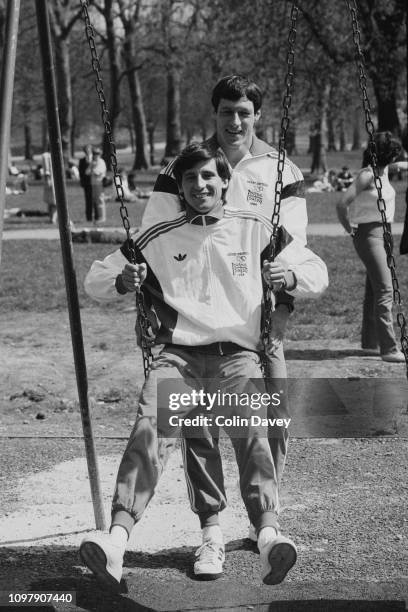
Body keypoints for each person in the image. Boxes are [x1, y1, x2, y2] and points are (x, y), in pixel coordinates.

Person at [79, 142, 328, 589]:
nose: (200, 185)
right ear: (180, 186)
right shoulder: (158, 234)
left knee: (252, 433)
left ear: (225, 182)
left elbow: (317, 271)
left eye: (209, 177)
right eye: (190, 178)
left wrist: (288, 277)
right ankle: (117, 541)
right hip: (179, 357)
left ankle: (269, 535)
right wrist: (122, 279)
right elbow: (94, 278)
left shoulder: (256, 228)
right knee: (150, 430)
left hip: (237, 356)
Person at [141, 75, 308, 544]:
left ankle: (266, 519)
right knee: (198, 420)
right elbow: (154, 233)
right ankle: (211, 526)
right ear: (213, 113)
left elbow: (294, 247)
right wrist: (152, 298)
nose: (234, 122)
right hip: (195, 317)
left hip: (257, 314)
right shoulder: (186, 165)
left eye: (244, 112)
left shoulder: (281, 170)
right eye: (225, 112)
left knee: (268, 413)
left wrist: (282, 309)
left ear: (257, 115)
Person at [336, 131, 404, 362]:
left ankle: (370, 342)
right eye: (395, 152)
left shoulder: (385, 171)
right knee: (385, 290)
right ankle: (389, 349)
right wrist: (349, 228)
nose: (397, 156)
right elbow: (342, 203)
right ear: (387, 153)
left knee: (373, 290)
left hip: (385, 236)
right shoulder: (367, 175)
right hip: (369, 236)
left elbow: (401, 164)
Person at [90, 147, 107, 223]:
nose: (95, 155)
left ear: (100, 154)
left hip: (99, 183)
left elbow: (98, 172)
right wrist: (92, 168)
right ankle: (99, 217)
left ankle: (102, 217)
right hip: (93, 183)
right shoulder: (93, 162)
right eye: (94, 153)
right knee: (96, 200)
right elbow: (86, 172)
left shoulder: (101, 162)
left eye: (97, 153)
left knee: (100, 200)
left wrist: (92, 169)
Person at [78, 145, 94, 222]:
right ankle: (89, 217)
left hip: (95, 183)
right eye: (86, 149)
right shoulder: (82, 160)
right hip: (87, 184)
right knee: (88, 201)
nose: (87, 151)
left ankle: (97, 217)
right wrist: (82, 182)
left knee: (96, 200)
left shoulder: (95, 159)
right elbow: (80, 173)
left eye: (89, 149)